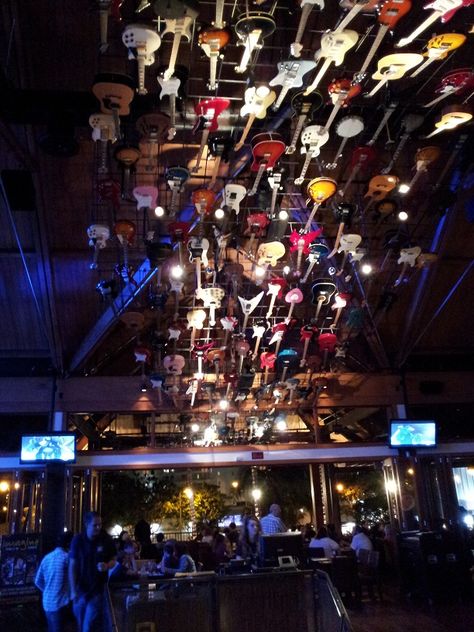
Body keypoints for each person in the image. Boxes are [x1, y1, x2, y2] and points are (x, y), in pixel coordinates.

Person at [69, 511, 117, 632]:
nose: (98, 527)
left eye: (100, 524)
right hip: (80, 590)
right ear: (86, 525)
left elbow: (114, 559)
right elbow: (72, 566)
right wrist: (73, 591)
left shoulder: (106, 539)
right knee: (80, 623)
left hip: (97, 589)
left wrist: (107, 565)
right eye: (95, 525)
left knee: (88, 625)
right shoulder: (78, 540)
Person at [35, 531, 73, 632]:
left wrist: (48, 590)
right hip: (60, 603)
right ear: (69, 544)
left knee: (51, 628)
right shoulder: (67, 558)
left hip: (47, 603)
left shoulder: (46, 558)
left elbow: (37, 581)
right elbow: (73, 577)